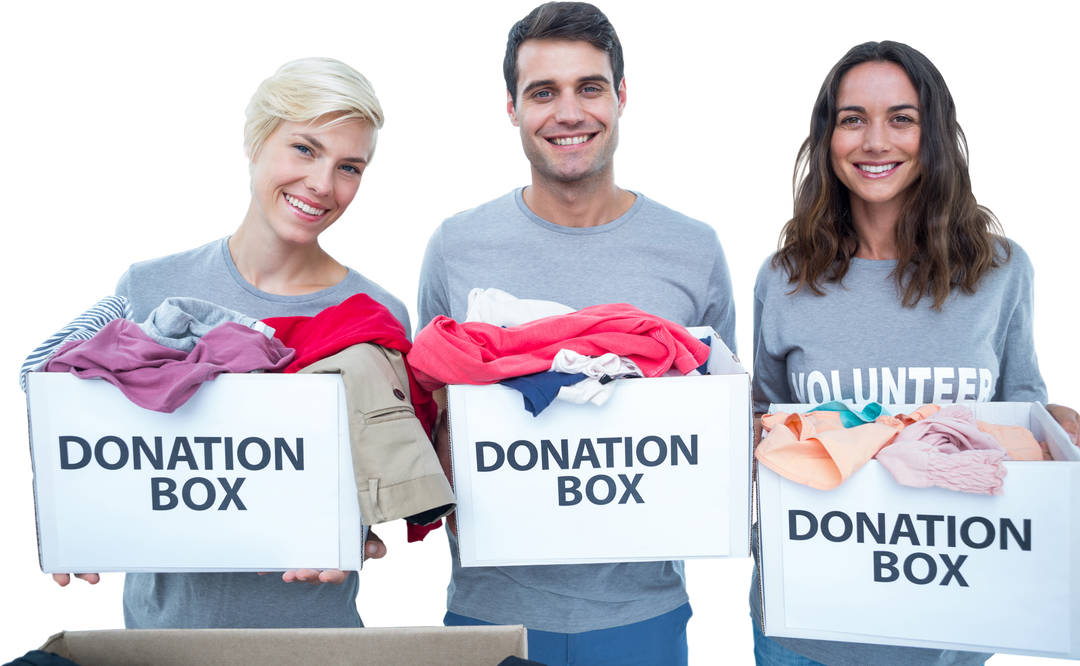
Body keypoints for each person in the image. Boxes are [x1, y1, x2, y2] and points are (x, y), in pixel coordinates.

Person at [21, 53, 403, 628]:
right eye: (304, 148)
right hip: (160, 646)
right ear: (254, 141)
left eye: (351, 167)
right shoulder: (152, 287)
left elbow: (387, 468)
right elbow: (44, 373)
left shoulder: (380, 315)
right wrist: (66, 505)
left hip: (317, 647)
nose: (323, 184)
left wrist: (365, 532)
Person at [413, 1, 738, 664]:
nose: (568, 113)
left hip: (646, 616)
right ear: (510, 108)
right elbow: (432, 415)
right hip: (488, 616)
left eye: (589, 87)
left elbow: (722, 418)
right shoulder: (456, 245)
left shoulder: (695, 246)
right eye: (543, 92)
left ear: (622, 97)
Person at [749, 37, 1077, 665]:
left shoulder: (1003, 269)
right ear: (827, 140)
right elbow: (765, 424)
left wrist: (1060, 430)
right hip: (808, 628)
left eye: (902, 119)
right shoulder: (782, 277)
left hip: (954, 630)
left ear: (935, 137)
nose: (876, 142)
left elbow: (1022, 415)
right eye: (853, 120)